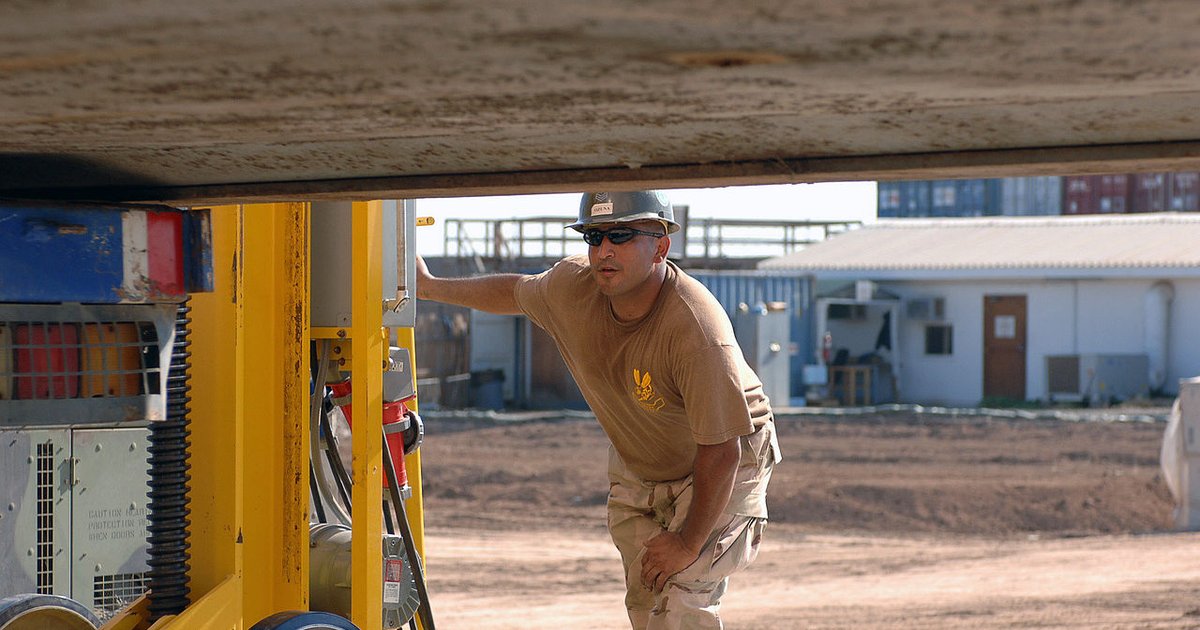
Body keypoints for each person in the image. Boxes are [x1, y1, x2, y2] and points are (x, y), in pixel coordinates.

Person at [415, 190, 780, 629]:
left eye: (622, 235)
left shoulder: (696, 330)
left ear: (661, 246)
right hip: (645, 453)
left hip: (726, 454)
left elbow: (723, 451)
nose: (604, 250)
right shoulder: (572, 287)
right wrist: (431, 286)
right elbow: (514, 292)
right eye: (594, 236)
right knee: (649, 603)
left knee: (682, 593)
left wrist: (687, 542)